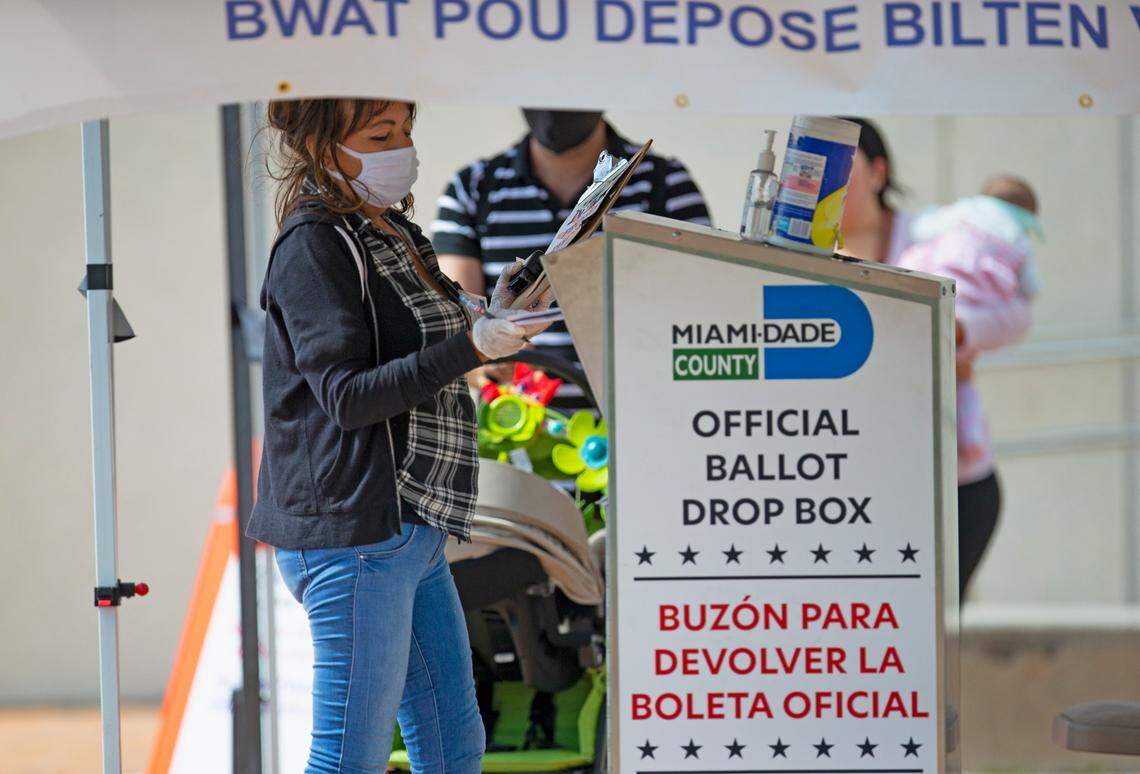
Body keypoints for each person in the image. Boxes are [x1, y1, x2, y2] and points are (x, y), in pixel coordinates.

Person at [248, 98, 550, 773]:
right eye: (380, 134)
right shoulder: (313, 245)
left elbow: (422, 333)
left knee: (454, 747)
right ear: (325, 148)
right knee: (349, 759)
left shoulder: (389, 231)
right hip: (354, 536)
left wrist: (494, 310)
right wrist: (473, 345)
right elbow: (349, 398)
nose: (402, 148)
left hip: (409, 528)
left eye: (407, 131)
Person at [839, 119, 1038, 597]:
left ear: (877, 173)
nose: (826, 180)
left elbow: (1016, 313)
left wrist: (960, 330)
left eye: (841, 165)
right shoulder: (794, 260)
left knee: (936, 639)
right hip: (847, 489)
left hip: (954, 481)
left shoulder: (938, 239)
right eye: (811, 165)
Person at [432, 109, 712, 405]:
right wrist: (493, 360)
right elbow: (453, 329)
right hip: (520, 436)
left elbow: (697, 314)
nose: (553, 108)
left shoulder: (665, 184)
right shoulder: (473, 188)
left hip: (637, 422)